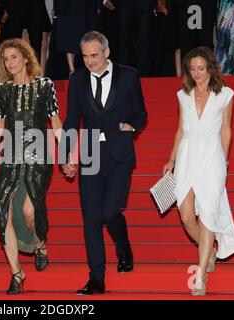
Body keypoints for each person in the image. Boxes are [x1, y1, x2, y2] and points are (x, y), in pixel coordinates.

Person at [60, 31, 148, 295]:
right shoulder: (77, 80)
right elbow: (72, 121)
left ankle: (124, 248)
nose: (89, 61)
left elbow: (140, 111)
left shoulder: (129, 75)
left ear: (106, 52)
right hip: (90, 155)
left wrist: (131, 125)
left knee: (110, 212)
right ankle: (96, 278)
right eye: (85, 56)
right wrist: (67, 155)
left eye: (94, 55)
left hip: (119, 154)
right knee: (90, 220)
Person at [162, 47, 234, 296]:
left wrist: (224, 162)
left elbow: (226, 131)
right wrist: (171, 159)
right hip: (187, 154)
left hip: (212, 155)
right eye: (192, 68)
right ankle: (210, 252)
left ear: (211, 69)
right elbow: (180, 130)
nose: (196, 73)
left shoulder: (225, 94)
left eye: (201, 68)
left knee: (207, 213)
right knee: (186, 216)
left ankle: (201, 275)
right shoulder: (183, 95)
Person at [0, 38, 62, 294]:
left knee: (30, 211)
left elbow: (56, 123)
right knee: (3, 212)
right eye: (5, 59)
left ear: (26, 58)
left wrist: (67, 154)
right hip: (11, 155)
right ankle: (17, 273)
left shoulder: (44, 86)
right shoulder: (2, 90)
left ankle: (40, 243)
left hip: (38, 154)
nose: (9, 63)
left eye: (14, 57)